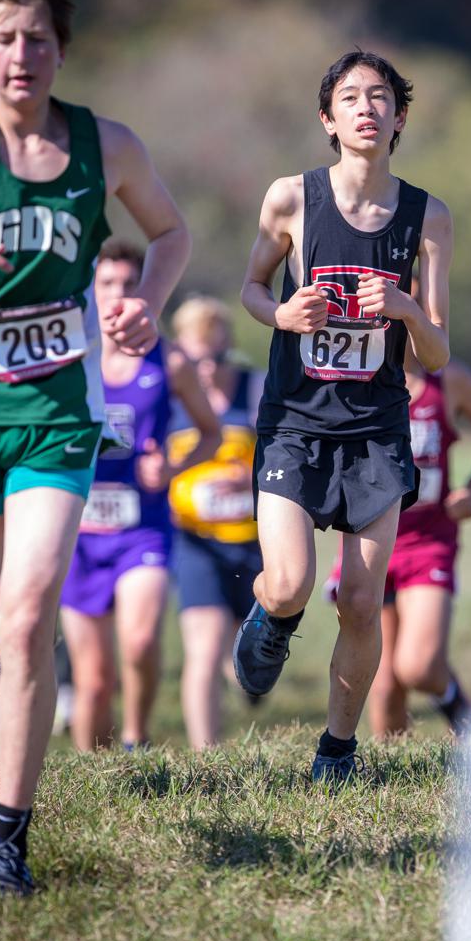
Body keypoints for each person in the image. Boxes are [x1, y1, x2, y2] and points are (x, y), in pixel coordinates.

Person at [0, 0, 190, 895]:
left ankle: (6, 838)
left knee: (26, 620)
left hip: (58, 412)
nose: (25, 54)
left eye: (40, 38)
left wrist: (142, 303)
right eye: (6, 38)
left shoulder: (109, 146)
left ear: (62, 50)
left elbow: (171, 234)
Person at [234, 49, 452, 782]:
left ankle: (337, 750)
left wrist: (406, 309)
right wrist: (283, 313)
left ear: (399, 118)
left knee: (361, 601)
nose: (368, 107)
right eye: (351, 97)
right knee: (290, 582)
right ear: (328, 118)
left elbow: (439, 351)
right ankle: (270, 619)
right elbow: (253, 289)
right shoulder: (291, 198)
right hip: (295, 420)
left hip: (376, 429)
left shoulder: (428, 217)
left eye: (382, 97)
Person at [59, 243, 219, 752]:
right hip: (76, 534)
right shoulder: (68, 355)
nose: (116, 296)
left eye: (129, 285)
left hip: (141, 529)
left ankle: (136, 737)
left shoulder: (168, 360)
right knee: (92, 680)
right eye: (105, 284)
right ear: (90, 290)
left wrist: (172, 465)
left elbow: (210, 435)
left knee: (141, 640)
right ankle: (95, 774)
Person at [325, 336, 471, 736]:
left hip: (428, 543)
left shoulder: (449, 380)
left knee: (419, 666)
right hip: (370, 542)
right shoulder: (356, 376)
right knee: (384, 683)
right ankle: (394, 779)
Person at [167, 295, 265, 748]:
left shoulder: (257, 389)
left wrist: (247, 476)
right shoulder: (169, 400)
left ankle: (244, 670)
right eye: (194, 360)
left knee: (252, 658)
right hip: (197, 543)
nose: (206, 371)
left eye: (217, 358)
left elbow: (290, 455)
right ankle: (206, 755)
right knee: (202, 652)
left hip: (256, 544)